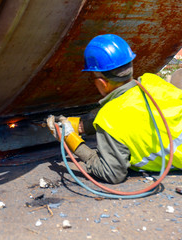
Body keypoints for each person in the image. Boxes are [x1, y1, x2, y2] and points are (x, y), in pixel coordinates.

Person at [47, 34, 182, 184]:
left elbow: (112, 173)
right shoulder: (153, 82)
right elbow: (134, 111)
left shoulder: (110, 118)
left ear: (101, 83)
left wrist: (71, 141)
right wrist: (82, 125)